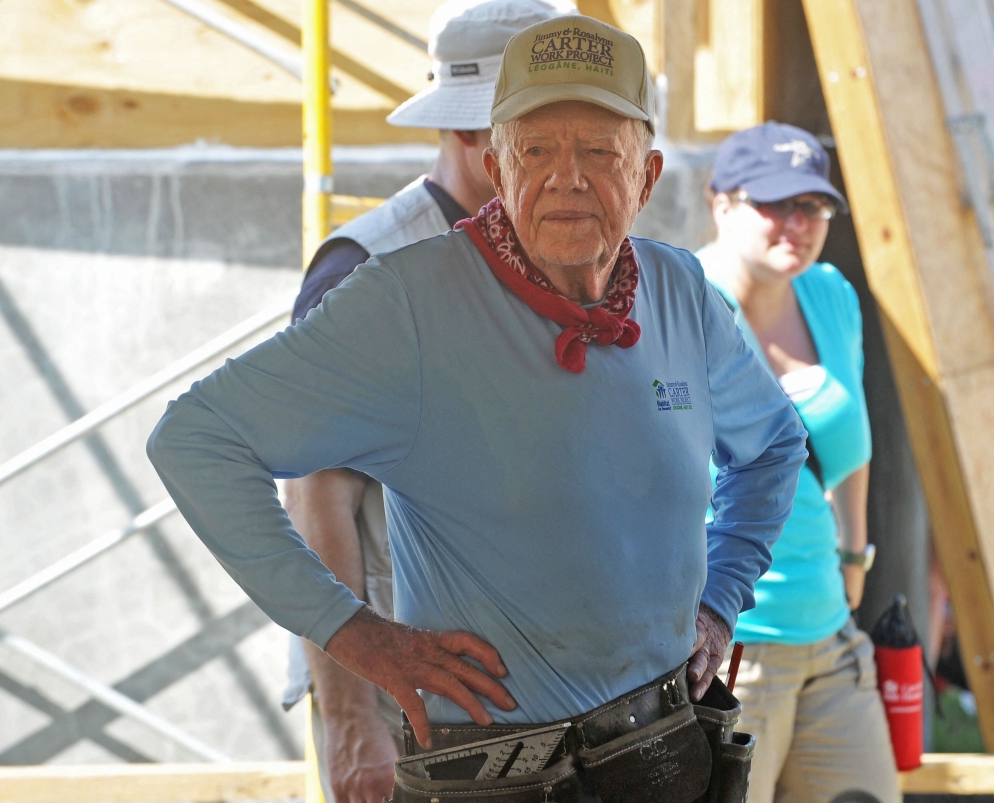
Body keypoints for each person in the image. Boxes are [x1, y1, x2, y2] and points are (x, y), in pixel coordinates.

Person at [148, 17, 807, 801]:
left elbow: (772, 447)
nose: (567, 177)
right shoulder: (406, 301)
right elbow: (196, 440)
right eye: (536, 151)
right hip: (498, 772)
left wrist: (721, 597)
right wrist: (357, 638)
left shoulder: (678, 291)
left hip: (662, 752)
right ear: (496, 165)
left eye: (600, 152)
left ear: (648, 174)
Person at [279, 2, 575, 801]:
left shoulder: (552, 254)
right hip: (411, 697)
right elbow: (314, 501)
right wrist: (348, 714)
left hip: (541, 680)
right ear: (474, 134)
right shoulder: (371, 269)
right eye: (541, 129)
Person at [697, 122, 901, 803]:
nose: (797, 222)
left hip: (830, 639)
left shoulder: (830, 293)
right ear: (719, 202)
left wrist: (853, 558)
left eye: (812, 205)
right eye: (775, 203)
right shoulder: (676, 304)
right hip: (725, 652)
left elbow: (849, 442)